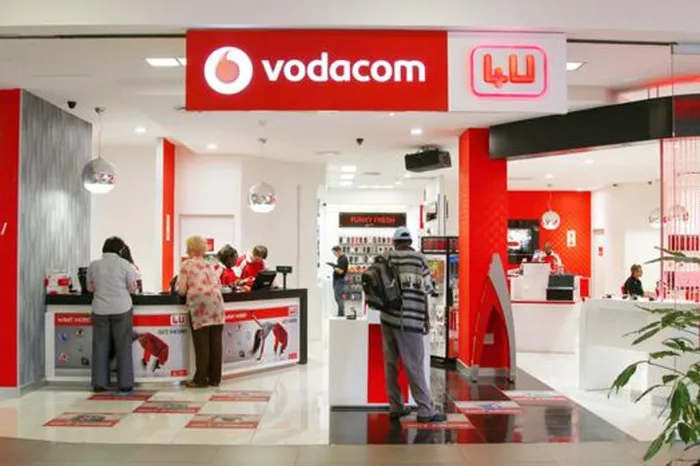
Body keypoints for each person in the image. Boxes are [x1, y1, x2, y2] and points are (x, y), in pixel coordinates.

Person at [382, 227, 446, 423]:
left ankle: (396, 406)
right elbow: (426, 290)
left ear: (394, 242)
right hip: (410, 319)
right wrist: (426, 318)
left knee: (391, 364)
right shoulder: (419, 259)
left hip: (388, 319)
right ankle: (426, 409)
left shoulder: (386, 257)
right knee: (414, 365)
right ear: (410, 241)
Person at [86, 236, 138, 393]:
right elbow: (132, 289)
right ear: (120, 250)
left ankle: (99, 383)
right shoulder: (126, 265)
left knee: (100, 346)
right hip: (122, 308)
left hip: (100, 309)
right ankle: (125, 384)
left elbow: (89, 288)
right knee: (123, 346)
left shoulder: (93, 265)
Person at [177, 236, 225, 388]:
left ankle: (201, 379)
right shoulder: (209, 265)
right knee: (216, 341)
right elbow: (219, 285)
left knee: (202, 343)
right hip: (217, 304)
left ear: (190, 248)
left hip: (200, 305)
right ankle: (215, 378)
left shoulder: (187, 265)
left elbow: (181, 290)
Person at [329, 246, 349, 317]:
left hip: (339, 281)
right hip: (337, 280)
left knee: (338, 297)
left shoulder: (343, 259)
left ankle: (341, 314)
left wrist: (334, 267)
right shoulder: (340, 259)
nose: (334, 254)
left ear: (338, 251)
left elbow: (341, 271)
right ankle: (340, 313)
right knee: (337, 297)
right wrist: (335, 266)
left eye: (334, 253)